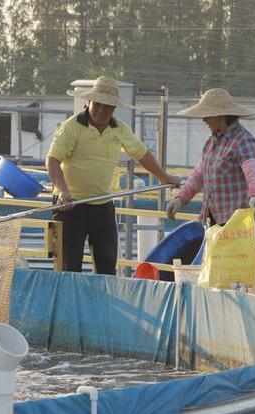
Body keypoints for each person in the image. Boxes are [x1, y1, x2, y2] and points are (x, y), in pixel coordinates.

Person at [46, 76, 180, 275]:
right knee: (67, 269)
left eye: (107, 107)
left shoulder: (120, 129)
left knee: (107, 267)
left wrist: (164, 177)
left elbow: (141, 154)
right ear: (88, 103)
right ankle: (67, 305)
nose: (101, 111)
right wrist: (64, 192)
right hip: (68, 207)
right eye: (98, 105)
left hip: (101, 206)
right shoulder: (71, 127)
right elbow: (52, 160)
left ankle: (101, 304)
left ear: (114, 109)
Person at [165, 88, 255, 238]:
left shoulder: (243, 140)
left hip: (239, 223)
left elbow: (254, 171)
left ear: (221, 116)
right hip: (217, 219)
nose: (204, 120)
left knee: (239, 262)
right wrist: (181, 198)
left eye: (207, 116)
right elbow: (200, 175)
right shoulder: (212, 142)